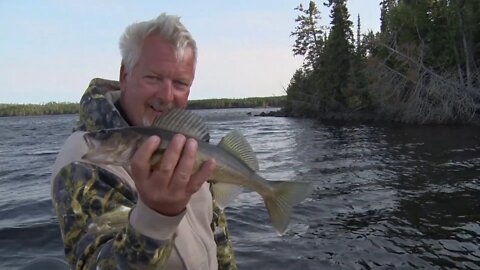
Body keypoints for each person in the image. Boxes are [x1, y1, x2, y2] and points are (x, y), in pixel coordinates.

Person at [51, 13, 236, 270]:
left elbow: (217, 234)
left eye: (180, 83)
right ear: (125, 76)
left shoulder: (184, 146)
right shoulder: (83, 159)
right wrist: (156, 215)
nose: (166, 96)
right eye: (154, 78)